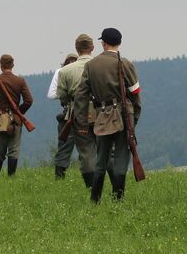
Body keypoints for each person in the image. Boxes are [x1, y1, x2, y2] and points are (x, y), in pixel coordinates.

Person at [74, 28, 141, 203]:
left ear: (103, 43)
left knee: (100, 159)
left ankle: (95, 199)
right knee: (120, 157)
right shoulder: (125, 63)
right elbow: (135, 93)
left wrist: (82, 122)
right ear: (119, 43)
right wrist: (134, 118)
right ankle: (118, 199)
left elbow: (81, 95)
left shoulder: (91, 66)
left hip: (101, 116)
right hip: (123, 115)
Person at [56, 36, 99, 185]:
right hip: (101, 111)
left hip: (77, 112)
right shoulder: (100, 65)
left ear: (76, 48)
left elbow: (61, 96)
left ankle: (91, 187)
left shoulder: (65, 71)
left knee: (86, 153)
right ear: (92, 47)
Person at [0, 54, 33, 178]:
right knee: (14, 151)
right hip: (15, 120)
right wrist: (18, 112)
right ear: (13, 65)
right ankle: (11, 177)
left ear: (1, 65)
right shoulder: (19, 81)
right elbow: (29, 101)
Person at [48, 52, 79, 180]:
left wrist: (65, 95)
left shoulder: (61, 72)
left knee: (64, 147)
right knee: (88, 147)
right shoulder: (84, 69)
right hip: (85, 112)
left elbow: (53, 94)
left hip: (68, 112)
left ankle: (59, 178)